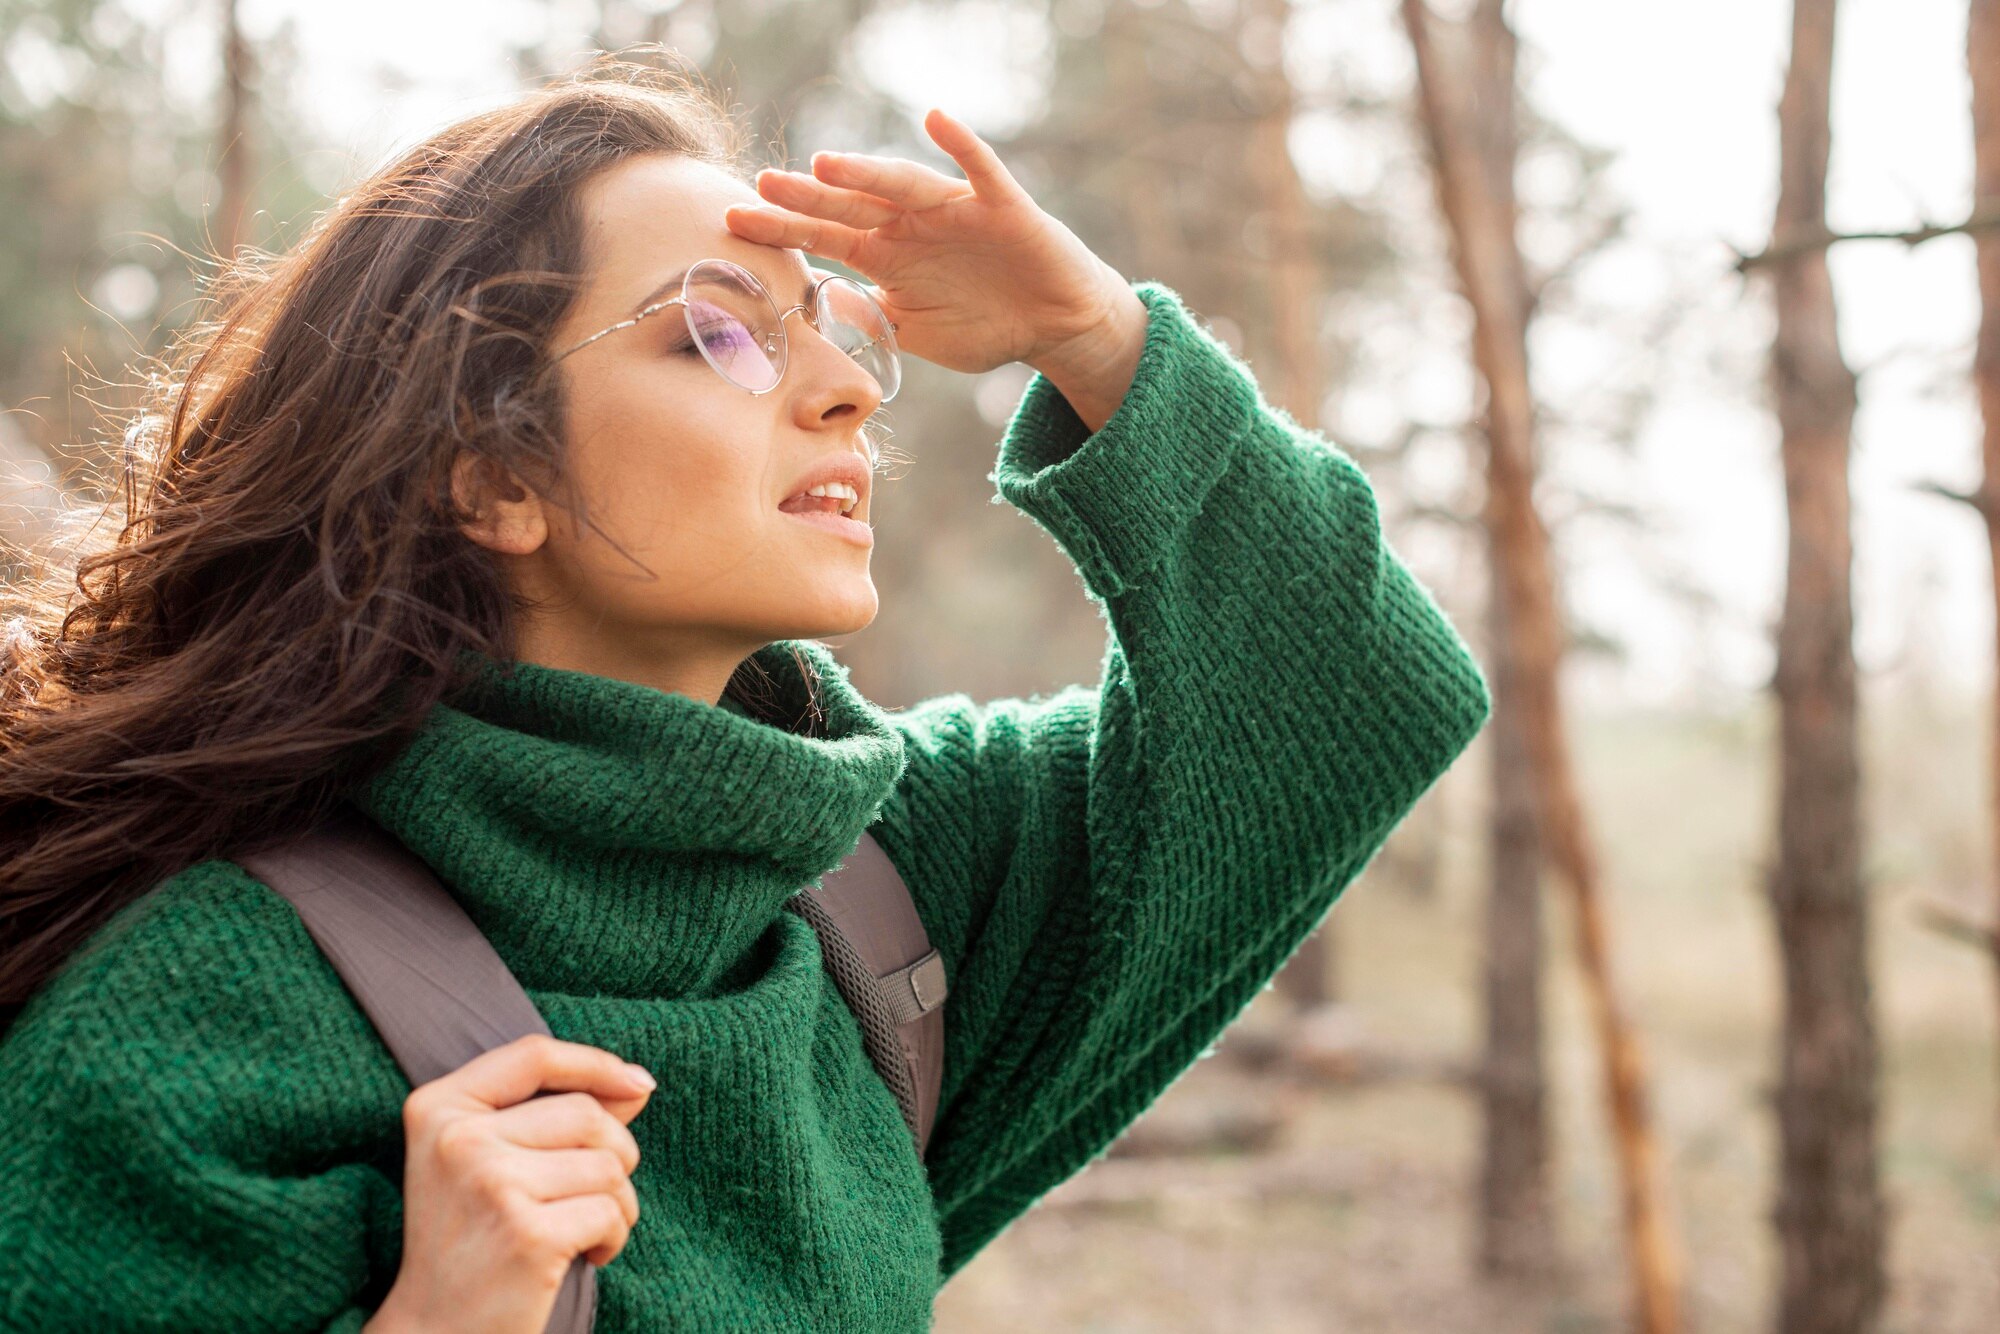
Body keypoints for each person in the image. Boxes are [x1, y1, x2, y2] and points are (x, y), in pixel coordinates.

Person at [0, 51, 1490, 1334]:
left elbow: (1349, 685)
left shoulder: (879, 894)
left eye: (827, 332)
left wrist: (1092, 335)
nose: (838, 387)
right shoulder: (187, 1017)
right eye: (718, 332)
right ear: (495, 474)